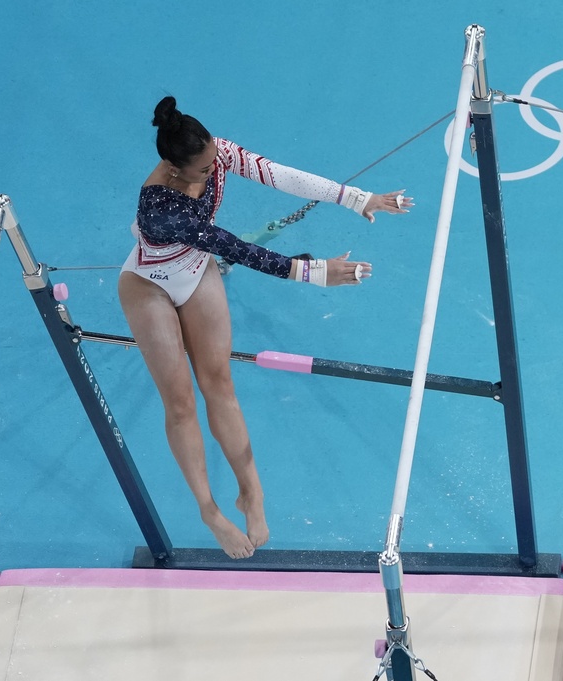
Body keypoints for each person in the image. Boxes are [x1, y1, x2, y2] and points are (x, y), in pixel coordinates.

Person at [118, 96, 414, 559]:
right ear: (174, 168)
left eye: (215, 159)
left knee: (218, 382)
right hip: (148, 285)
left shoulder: (211, 152)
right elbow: (235, 248)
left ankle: (250, 491)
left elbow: (280, 175)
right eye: (204, 169)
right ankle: (210, 510)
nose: (215, 170)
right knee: (179, 402)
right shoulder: (159, 205)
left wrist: (358, 199)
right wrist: (315, 272)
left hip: (195, 270)